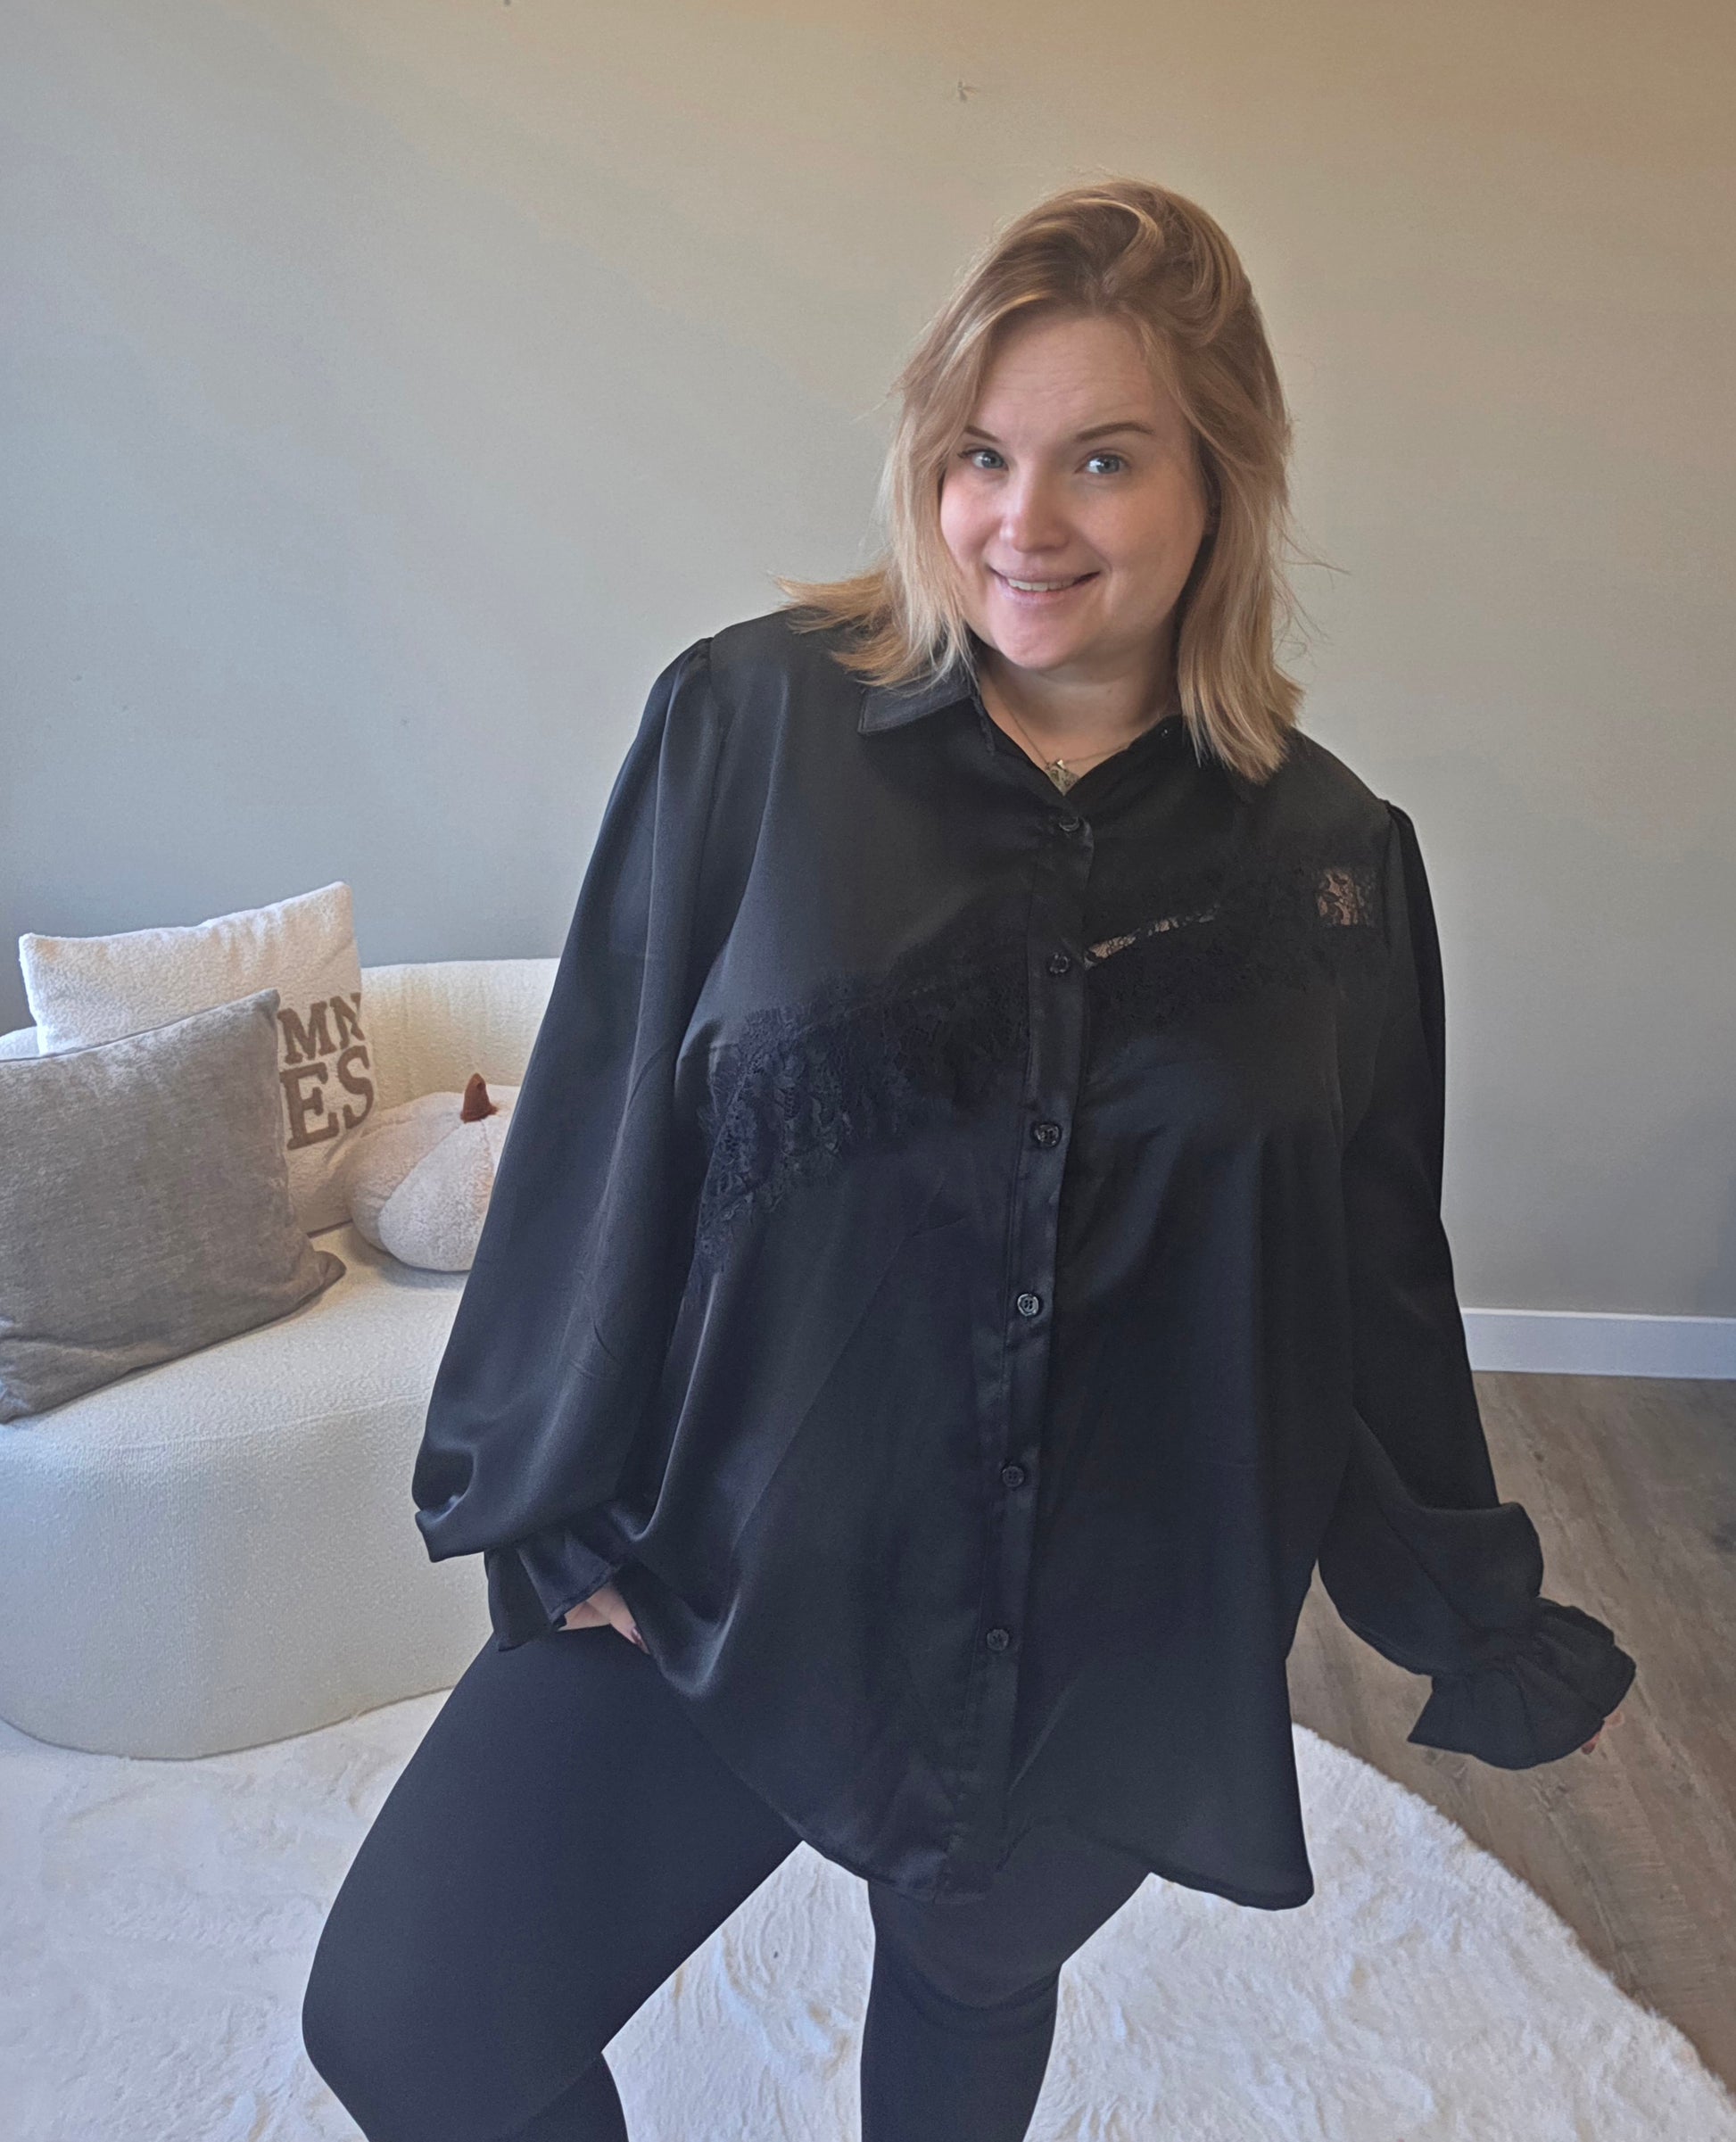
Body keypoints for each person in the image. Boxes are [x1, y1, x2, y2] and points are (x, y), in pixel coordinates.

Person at [300, 178, 1633, 2142]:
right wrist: (555, 1507)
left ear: (1220, 482)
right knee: (413, 2020)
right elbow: (599, 1126)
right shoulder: (750, 728)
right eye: (979, 455)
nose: (1023, 522)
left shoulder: (1334, 864)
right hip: (736, 1557)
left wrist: (1464, 1604)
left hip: (1101, 1614)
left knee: (966, 1982)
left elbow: (1365, 1279)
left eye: (1102, 457)